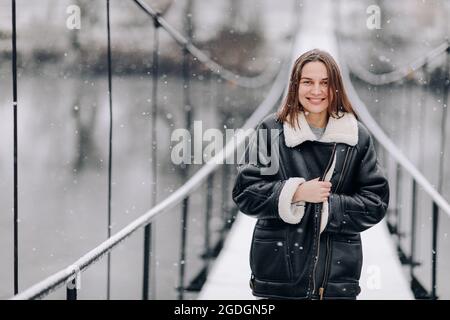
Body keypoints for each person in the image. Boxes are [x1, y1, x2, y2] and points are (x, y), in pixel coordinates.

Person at [232, 49, 389, 300]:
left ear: (336, 87)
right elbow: (245, 193)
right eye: (308, 82)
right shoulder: (271, 130)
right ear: (295, 85)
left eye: (325, 83)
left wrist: (329, 206)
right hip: (278, 274)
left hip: (336, 277)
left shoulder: (357, 137)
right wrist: (295, 193)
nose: (316, 91)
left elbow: (376, 203)